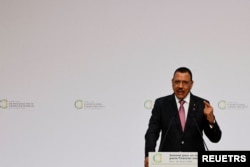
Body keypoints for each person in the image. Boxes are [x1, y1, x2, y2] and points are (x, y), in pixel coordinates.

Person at [144, 67, 222, 167]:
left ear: (191, 84)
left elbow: (215, 138)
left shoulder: (202, 105)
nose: (180, 86)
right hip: (167, 162)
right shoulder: (161, 104)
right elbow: (152, 132)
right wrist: (149, 155)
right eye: (177, 82)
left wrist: (211, 121)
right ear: (172, 82)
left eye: (185, 82)